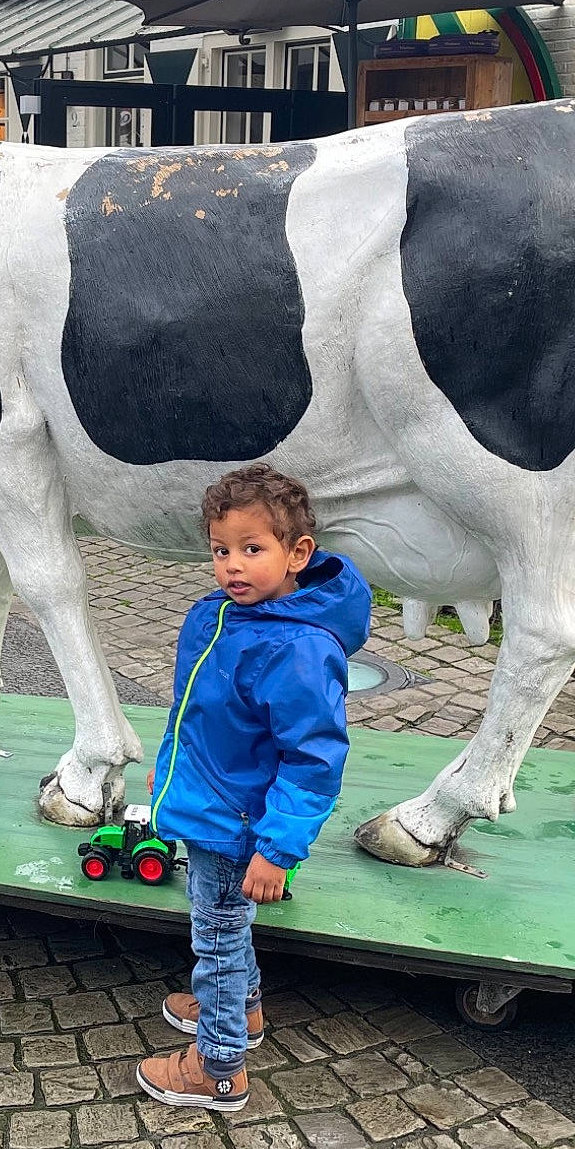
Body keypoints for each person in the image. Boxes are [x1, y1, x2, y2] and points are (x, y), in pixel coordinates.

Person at [136, 464, 370, 1110]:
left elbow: (314, 760)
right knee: (225, 931)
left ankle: (218, 1067)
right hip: (211, 802)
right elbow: (199, 712)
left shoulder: (296, 647)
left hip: (240, 825)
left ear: (298, 554)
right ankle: (244, 1009)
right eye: (220, 550)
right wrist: (172, 767)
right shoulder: (223, 616)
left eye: (252, 549)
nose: (232, 566)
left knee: (214, 937)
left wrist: (278, 849)